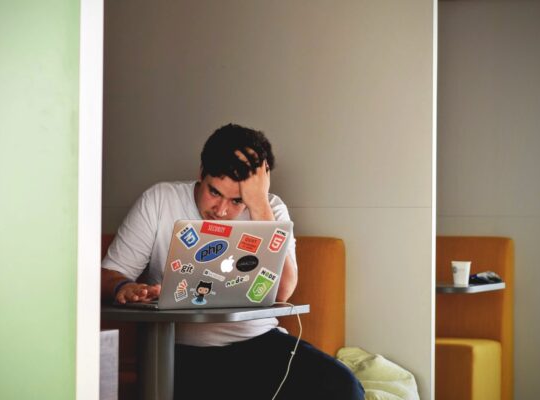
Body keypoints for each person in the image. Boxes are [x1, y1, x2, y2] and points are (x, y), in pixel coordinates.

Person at [100, 124, 364, 399]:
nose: (222, 210)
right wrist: (124, 288)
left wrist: (258, 204)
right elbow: (108, 275)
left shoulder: (270, 209)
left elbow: (284, 290)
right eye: (214, 192)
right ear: (201, 173)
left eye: (237, 200)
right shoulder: (160, 200)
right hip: (178, 351)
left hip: (257, 342)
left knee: (345, 388)